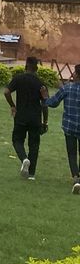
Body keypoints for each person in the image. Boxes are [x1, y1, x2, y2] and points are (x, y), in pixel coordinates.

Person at [4, 56, 49, 181]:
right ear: (36, 68)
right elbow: (45, 104)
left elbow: (6, 91)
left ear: (26, 65)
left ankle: (24, 159)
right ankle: (31, 174)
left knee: (17, 140)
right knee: (34, 145)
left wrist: (12, 105)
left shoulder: (19, 79)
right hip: (35, 118)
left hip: (21, 116)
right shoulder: (41, 83)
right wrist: (45, 122)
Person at [44, 64, 80, 193]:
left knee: (72, 153)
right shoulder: (67, 88)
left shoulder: (68, 89)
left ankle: (76, 178)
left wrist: (45, 97)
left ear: (76, 74)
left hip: (69, 126)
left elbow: (53, 103)